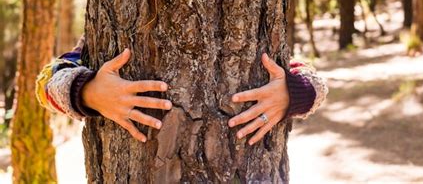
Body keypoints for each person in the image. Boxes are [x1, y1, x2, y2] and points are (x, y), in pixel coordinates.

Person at [36, 36, 328, 144]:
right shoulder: (100, 39)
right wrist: (87, 92)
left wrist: (293, 93)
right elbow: (45, 84)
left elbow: (314, 83)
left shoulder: (252, 36)